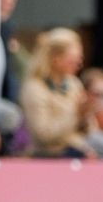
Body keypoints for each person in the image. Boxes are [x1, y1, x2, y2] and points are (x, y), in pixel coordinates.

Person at [21, 28, 92, 159]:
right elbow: (43, 136)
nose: (79, 64)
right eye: (73, 60)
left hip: (77, 149)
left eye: (79, 59)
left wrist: (86, 115)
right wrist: (76, 114)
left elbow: (87, 131)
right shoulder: (34, 88)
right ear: (55, 59)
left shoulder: (74, 84)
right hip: (48, 156)